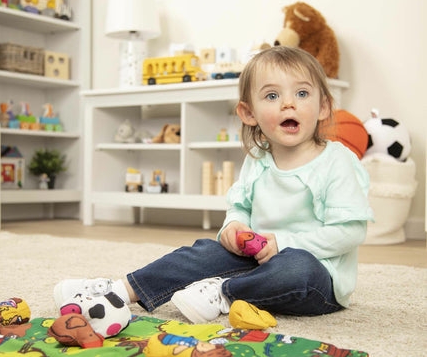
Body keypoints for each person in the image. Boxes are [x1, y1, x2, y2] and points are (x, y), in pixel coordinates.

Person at [54, 46, 373, 324]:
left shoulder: (337, 161)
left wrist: (283, 242)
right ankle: (119, 290)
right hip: (256, 259)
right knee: (206, 250)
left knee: (297, 266)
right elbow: (240, 206)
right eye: (272, 96)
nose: (288, 104)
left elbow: (350, 231)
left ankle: (225, 293)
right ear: (249, 113)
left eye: (302, 94)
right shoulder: (259, 159)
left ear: (323, 107)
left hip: (319, 277)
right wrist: (234, 229)